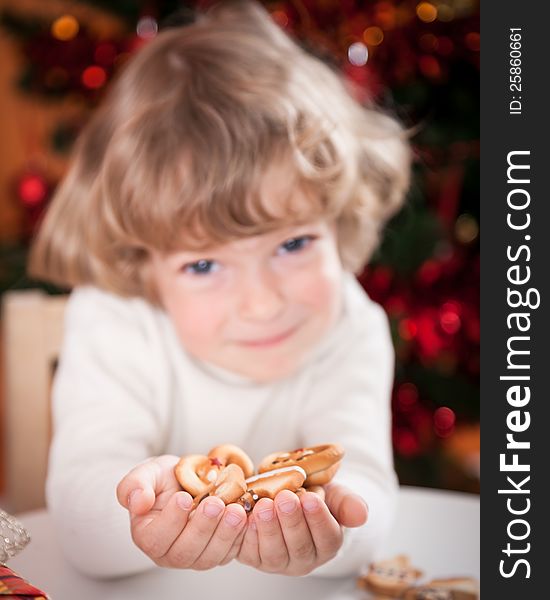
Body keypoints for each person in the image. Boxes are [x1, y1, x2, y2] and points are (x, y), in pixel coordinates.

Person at [29, 0, 410, 581]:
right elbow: (78, 524)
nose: (262, 304)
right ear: (144, 263)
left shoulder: (350, 329)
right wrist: (142, 515)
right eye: (204, 265)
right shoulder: (116, 320)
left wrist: (334, 520)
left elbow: (368, 491)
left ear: (341, 218)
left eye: (292, 245)